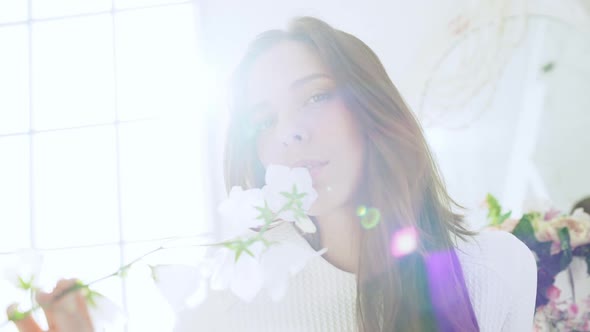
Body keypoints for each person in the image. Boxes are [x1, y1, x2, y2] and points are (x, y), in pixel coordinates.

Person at [8, 16, 537, 332]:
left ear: (374, 106)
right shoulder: (227, 304)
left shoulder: (494, 268)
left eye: (316, 95)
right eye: (263, 120)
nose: (290, 132)